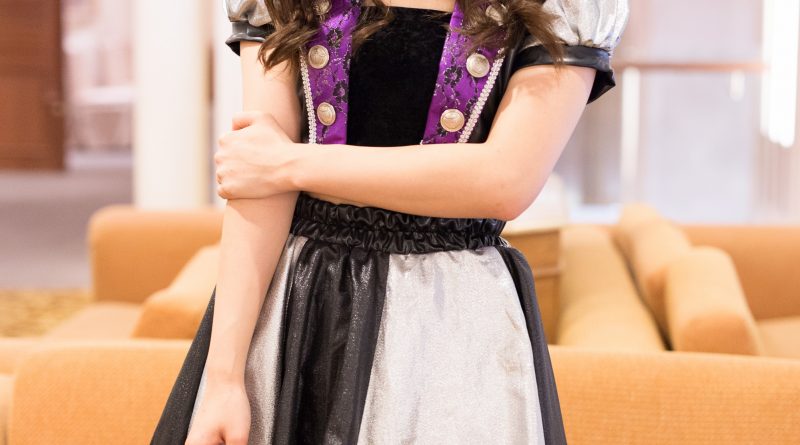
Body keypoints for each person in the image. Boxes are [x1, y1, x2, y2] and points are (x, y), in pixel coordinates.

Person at [150, 0, 629, 443]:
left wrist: (289, 164)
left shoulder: (562, 8)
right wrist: (225, 377)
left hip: (451, 313)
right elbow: (258, 182)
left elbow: (507, 180)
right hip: (297, 306)